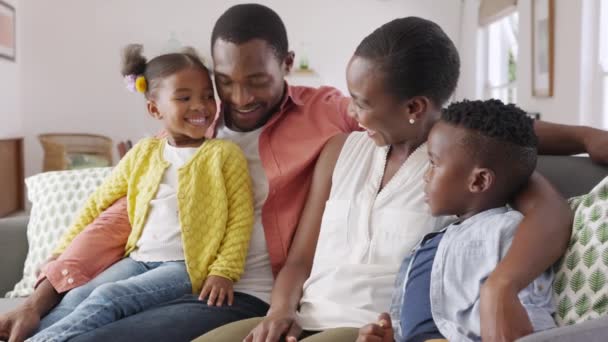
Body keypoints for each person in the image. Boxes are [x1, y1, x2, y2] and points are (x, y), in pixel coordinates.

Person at [2, 5, 608, 342]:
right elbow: (123, 212)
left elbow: (465, 128)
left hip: (238, 291)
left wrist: (580, 135)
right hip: (181, 273)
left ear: (286, 66)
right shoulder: (195, 122)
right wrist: (40, 292)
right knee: (68, 314)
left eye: (257, 80)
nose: (236, 97)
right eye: (224, 80)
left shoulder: (337, 117)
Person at [196, 16, 571, 342]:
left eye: (361, 102)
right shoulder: (339, 150)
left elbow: (548, 208)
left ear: (413, 108)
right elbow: (300, 261)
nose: (350, 110)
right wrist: (280, 312)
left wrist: (501, 287)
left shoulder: (458, 167)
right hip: (299, 318)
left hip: (366, 329)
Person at [26, 45, 254, 342]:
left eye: (208, 96)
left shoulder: (224, 155)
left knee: (110, 297)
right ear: (154, 109)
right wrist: (62, 252)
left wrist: (224, 271)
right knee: (79, 294)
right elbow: (97, 204)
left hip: (185, 268)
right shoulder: (143, 154)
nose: (201, 105)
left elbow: (240, 217)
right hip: (138, 259)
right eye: (184, 98)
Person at [356, 99, 556, 342]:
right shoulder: (435, 240)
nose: (425, 176)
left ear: (479, 182)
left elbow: (530, 316)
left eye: (433, 163)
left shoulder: (507, 233)